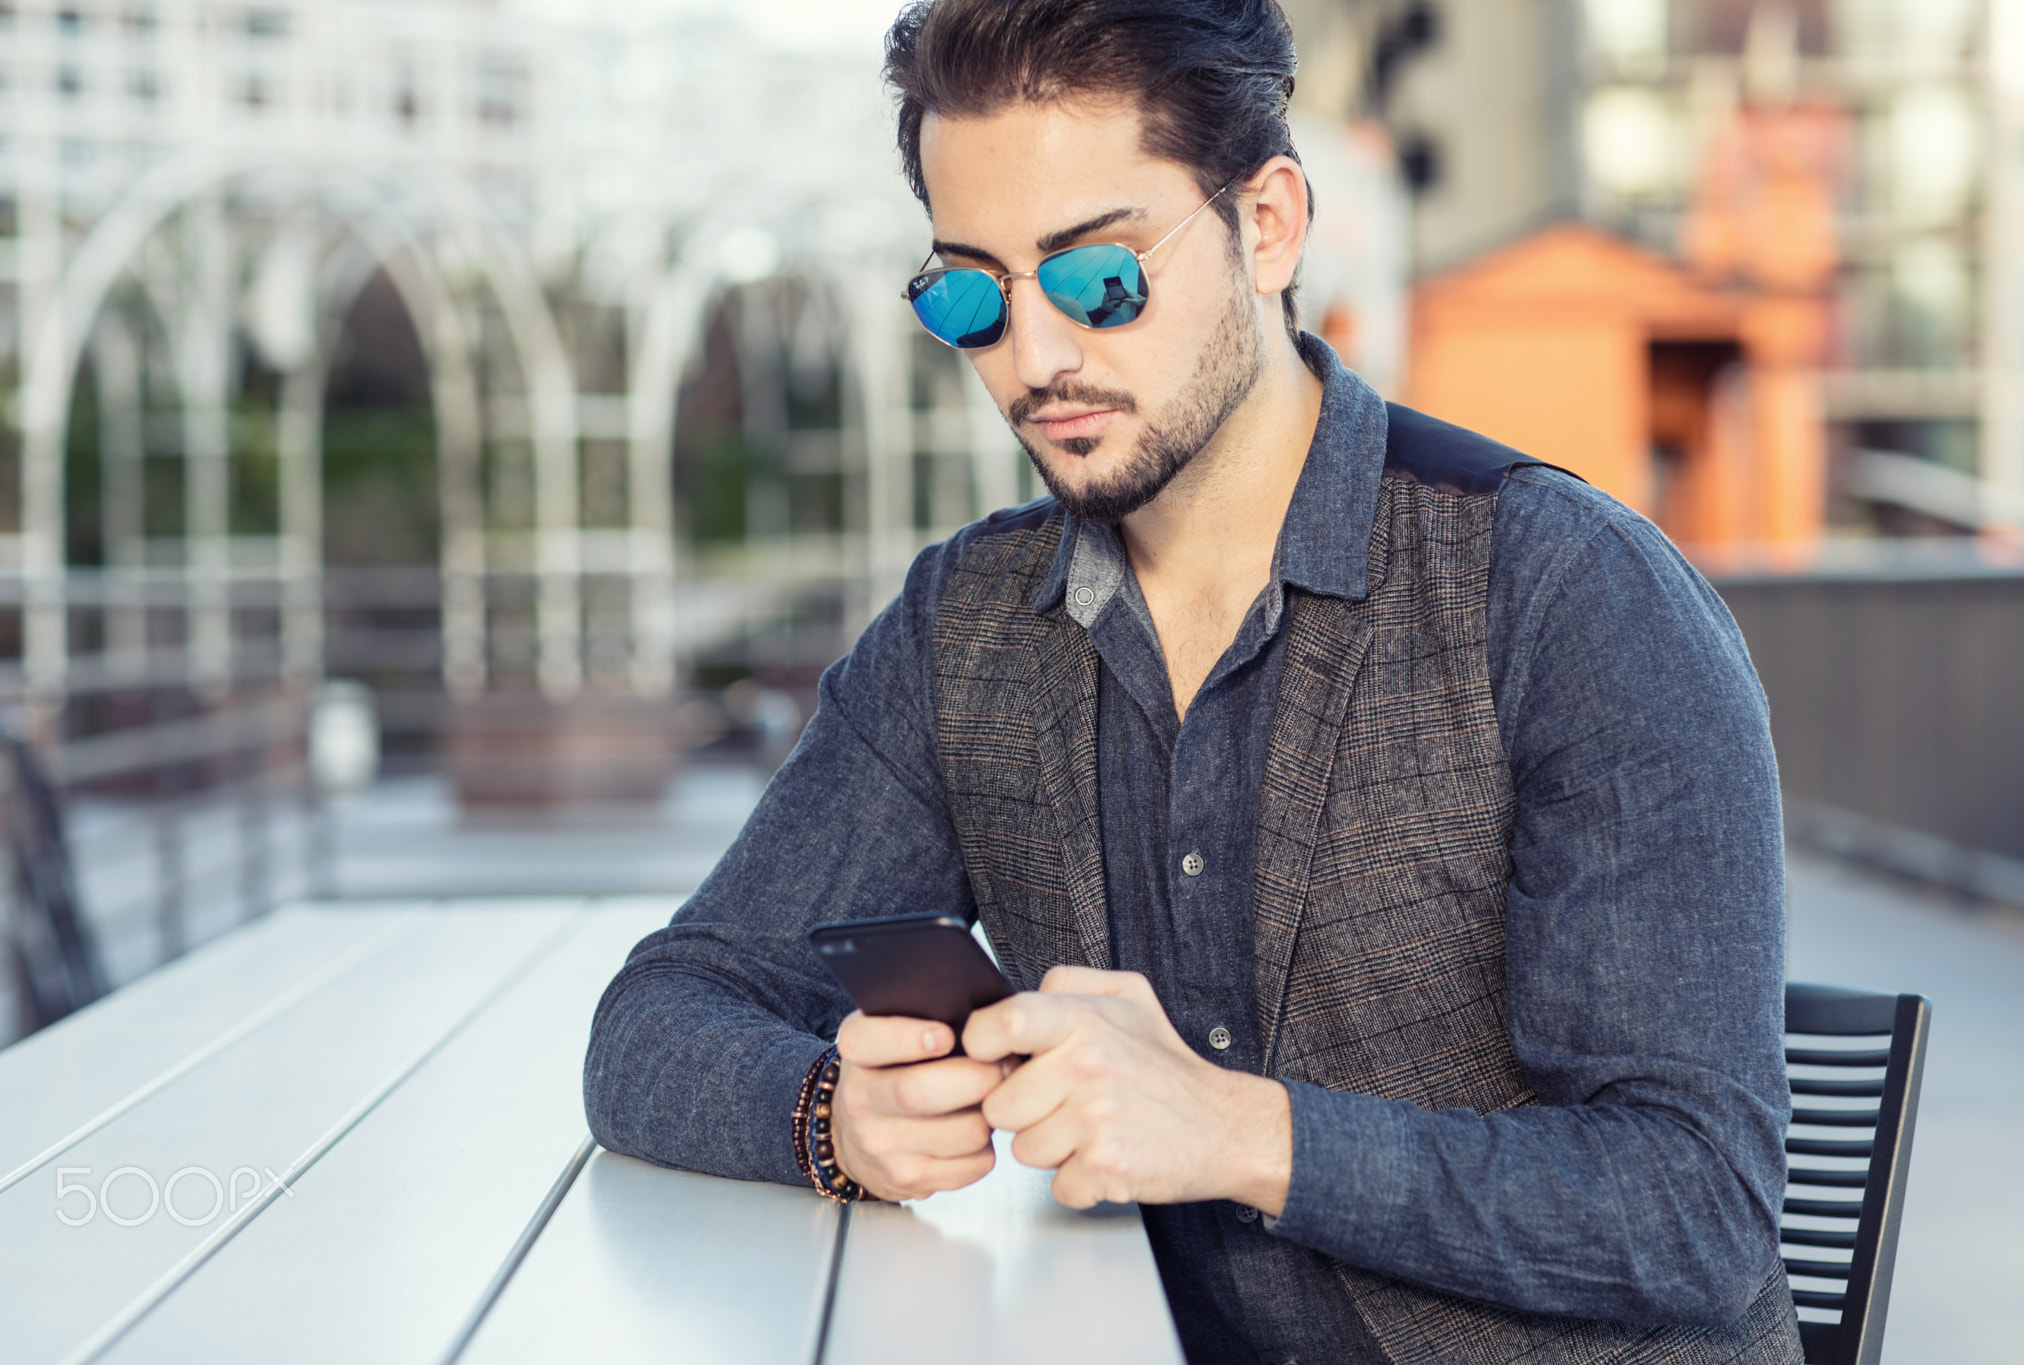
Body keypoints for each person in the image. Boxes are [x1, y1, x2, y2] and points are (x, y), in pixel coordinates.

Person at [585, 3, 1803, 1362]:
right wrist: (833, 1116)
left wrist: (1235, 1128)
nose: (1037, 359)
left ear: (1269, 224)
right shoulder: (967, 631)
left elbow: (1697, 1208)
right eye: (972, 295)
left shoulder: (1568, 594)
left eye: (1099, 278)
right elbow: (656, 1018)